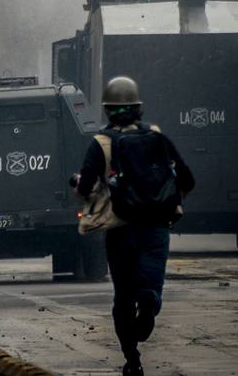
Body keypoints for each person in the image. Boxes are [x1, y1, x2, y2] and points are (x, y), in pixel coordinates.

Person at [76, 76, 195, 376]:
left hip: (121, 228)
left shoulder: (100, 143)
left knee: (123, 297)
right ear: (139, 108)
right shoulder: (155, 135)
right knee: (151, 280)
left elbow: (86, 186)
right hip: (156, 225)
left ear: (107, 109)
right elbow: (186, 178)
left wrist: (82, 184)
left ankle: (133, 358)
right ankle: (151, 301)